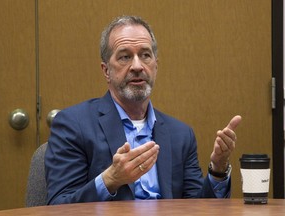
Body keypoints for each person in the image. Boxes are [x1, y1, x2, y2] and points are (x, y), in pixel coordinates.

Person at [45, 15, 242, 204]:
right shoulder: (74, 124)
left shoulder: (180, 134)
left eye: (145, 55)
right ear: (106, 71)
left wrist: (218, 168)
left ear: (156, 66)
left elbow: (196, 207)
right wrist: (110, 180)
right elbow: (59, 207)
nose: (137, 66)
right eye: (125, 57)